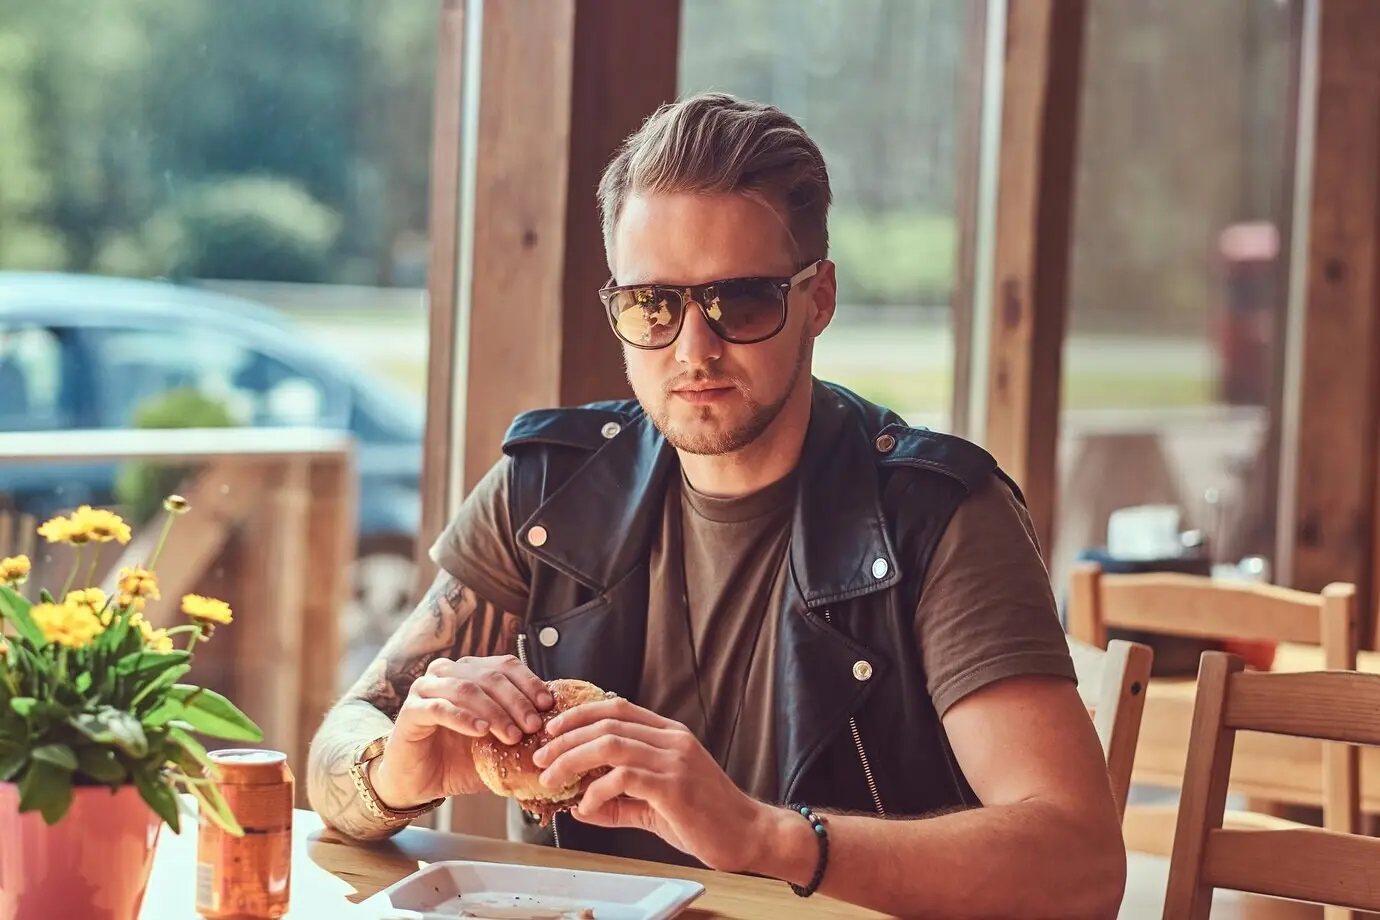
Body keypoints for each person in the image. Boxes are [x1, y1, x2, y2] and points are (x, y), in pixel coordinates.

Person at [307, 91, 1126, 919]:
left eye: (741, 302)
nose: (693, 350)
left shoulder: (938, 514)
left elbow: (1080, 867)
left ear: (819, 299)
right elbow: (339, 746)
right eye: (652, 305)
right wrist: (393, 771)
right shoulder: (547, 490)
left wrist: (765, 835)